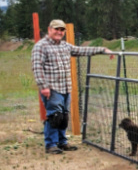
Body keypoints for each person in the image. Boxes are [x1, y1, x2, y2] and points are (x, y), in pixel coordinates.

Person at [31, 19, 116, 154]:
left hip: (65, 88)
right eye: (56, 29)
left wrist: (103, 50)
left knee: (63, 117)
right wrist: (44, 86)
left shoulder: (65, 46)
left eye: (61, 30)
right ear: (49, 30)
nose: (59, 32)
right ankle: (51, 144)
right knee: (54, 116)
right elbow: (37, 67)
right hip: (52, 88)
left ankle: (62, 142)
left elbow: (82, 50)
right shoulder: (41, 46)